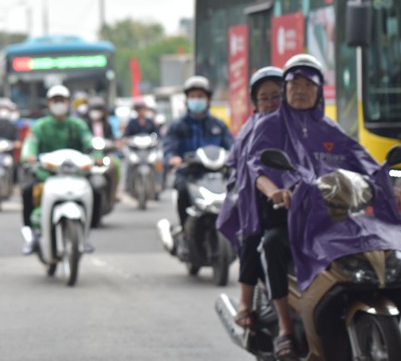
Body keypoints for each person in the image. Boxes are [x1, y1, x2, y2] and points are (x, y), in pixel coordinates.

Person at [243, 54, 401, 359]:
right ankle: (286, 328)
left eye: (308, 84)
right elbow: (256, 167)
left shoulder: (330, 128)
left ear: (319, 90)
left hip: (333, 217)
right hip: (290, 214)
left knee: (380, 240)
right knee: (274, 244)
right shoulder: (270, 124)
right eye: (294, 84)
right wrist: (275, 191)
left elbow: (365, 163)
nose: (300, 90)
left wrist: (390, 186)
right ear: (286, 88)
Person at [215, 66, 284, 331]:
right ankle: (245, 303)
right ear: (255, 102)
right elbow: (244, 167)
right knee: (254, 238)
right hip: (256, 199)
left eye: (276, 96)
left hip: (300, 199)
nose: (270, 103)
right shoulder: (250, 129)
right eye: (264, 98)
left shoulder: (299, 125)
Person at [19, 84, 94, 254]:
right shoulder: (40, 126)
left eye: (62, 100)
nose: (59, 104)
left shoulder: (78, 125)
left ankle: (87, 235)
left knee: (96, 189)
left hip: (75, 174)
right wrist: (29, 156)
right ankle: (31, 235)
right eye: (55, 100)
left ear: (68, 103)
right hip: (47, 174)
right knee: (27, 191)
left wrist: (96, 155)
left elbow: (89, 142)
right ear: (49, 103)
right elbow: (30, 143)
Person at [163, 75, 234, 231]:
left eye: (200, 96)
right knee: (182, 190)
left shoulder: (218, 125)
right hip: (189, 175)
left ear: (208, 99)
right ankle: (185, 231)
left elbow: (233, 147)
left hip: (216, 175)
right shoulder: (178, 126)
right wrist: (172, 158)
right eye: (193, 97)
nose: (196, 100)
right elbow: (169, 147)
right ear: (187, 100)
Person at [84, 96, 121, 208]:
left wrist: (115, 144)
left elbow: (113, 139)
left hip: (105, 154)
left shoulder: (107, 125)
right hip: (89, 154)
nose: (96, 113)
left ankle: (114, 192)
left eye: (98, 109)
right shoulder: (85, 125)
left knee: (115, 164)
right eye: (94, 109)